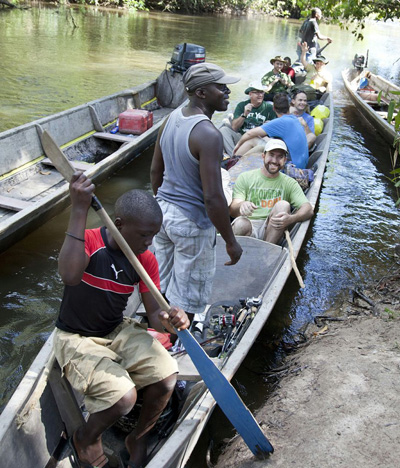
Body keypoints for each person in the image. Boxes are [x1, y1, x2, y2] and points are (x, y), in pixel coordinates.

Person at [53, 173, 190, 468]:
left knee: (167, 373)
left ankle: (138, 437)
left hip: (115, 329)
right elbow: (69, 275)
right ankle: (87, 437)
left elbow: (155, 317)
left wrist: (173, 320)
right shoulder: (89, 241)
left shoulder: (146, 260)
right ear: (119, 223)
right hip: (76, 337)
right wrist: (78, 209)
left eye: (153, 235)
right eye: (143, 235)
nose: (149, 242)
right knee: (123, 397)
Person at [150, 62, 243, 322]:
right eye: (221, 87)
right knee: (187, 297)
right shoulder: (208, 134)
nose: (227, 91)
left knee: (163, 287)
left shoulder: (170, 120)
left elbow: (155, 172)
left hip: (164, 215)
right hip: (192, 223)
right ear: (201, 93)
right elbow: (212, 198)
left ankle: (158, 334)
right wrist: (230, 240)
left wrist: (161, 205)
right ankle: (178, 345)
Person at [230, 139, 314, 244]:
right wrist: (241, 205)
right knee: (241, 223)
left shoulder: (289, 183)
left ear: (285, 160)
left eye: (280, 157)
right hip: (249, 226)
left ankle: (267, 253)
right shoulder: (246, 177)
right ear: (263, 156)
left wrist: (291, 218)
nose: (274, 160)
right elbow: (233, 210)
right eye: (271, 155)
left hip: (271, 229)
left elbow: (308, 209)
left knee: (283, 205)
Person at [233, 93, 309, 169]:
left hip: (291, 166)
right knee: (264, 139)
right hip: (301, 164)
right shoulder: (294, 118)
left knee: (253, 140)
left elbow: (249, 133)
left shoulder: (280, 122)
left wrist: (238, 144)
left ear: (273, 108)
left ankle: (233, 161)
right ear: (289, 106)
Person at [219, 81, 276, 156]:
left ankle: (235, 156)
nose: (260, 95)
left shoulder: (269, 108)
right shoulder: (242, 105)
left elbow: (275, 130)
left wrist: (269, 126)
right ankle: (232, 157)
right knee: (224, 130)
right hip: (242, 137)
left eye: (262, 92)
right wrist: (244, 114)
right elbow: (234, 127)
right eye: (257, 92)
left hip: (258, 138)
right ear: (250, 94)